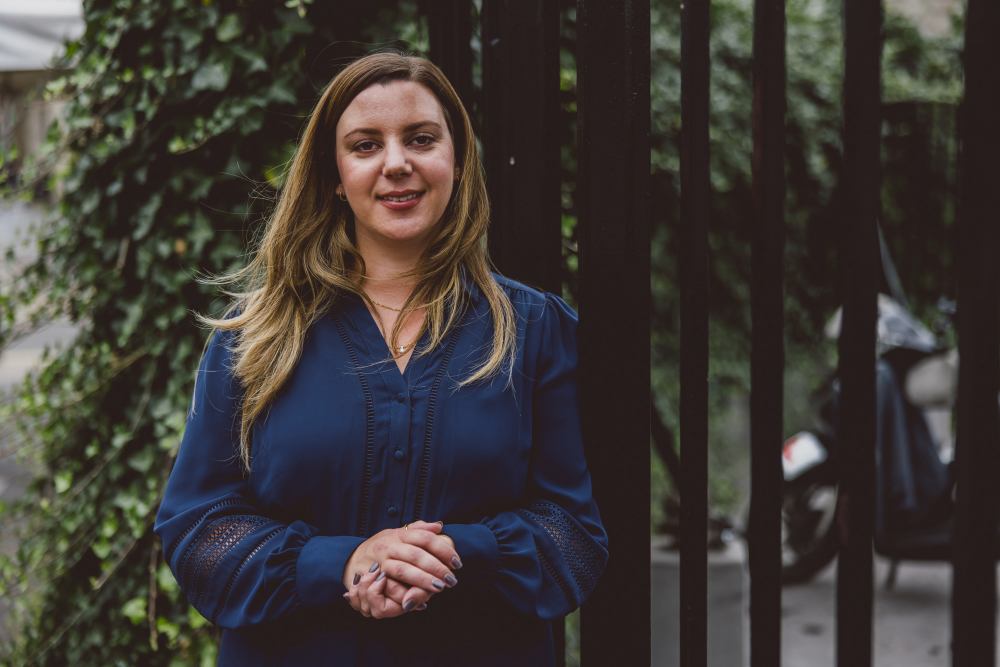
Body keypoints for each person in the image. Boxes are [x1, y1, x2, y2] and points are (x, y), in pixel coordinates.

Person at [153, 51, 608, 666]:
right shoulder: (253, 336)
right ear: (335, 173)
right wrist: (342, 561)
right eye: (366, 145)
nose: (397, 163)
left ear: (457, 159)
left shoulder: (533, 330)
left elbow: (574, 536)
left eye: (421, 138)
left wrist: (451, 555)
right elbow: (198, 530)